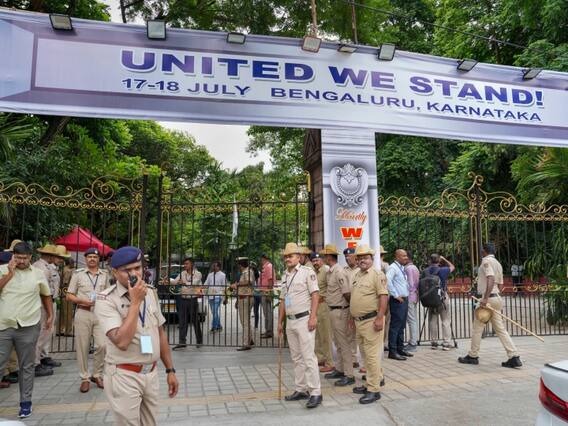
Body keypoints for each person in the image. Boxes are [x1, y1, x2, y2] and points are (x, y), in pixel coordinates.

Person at [95, 246, 179, 425]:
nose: (134, 274)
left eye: (137, 268)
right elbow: (122, 341)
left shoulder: (150, 292)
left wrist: (170, 370)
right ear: (115, 272)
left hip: (150, 373)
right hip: (124, 375)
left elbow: (160, 332)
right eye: (127, 270)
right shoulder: (106, 299)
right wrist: (135, 302)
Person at [0, 241, 53, 418]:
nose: (21, 261)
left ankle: (25, 403)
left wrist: (50, 314)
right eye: (18, 257)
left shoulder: (38, 274)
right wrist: (9, 273)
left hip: (29, 326)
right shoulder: (2, 270)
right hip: (4, 325)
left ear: (30, 257)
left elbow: (46, 295)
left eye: (24, 258)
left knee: (27, 366)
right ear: (13, 256)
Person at [459, 243, 522, 368]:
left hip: (488, 299)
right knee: (500, 329)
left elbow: (491, 278)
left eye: (482, 250)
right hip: (497, 297)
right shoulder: (498, 263)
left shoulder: (486, 261)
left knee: (477, 328)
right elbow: (500, 285)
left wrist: (485, 298)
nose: (481, 252)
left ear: (485, 251)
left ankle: (473, 356)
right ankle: (514, 356)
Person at [278, 242, 322, 409]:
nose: (287, 259)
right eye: (286, 256)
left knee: (308, 357)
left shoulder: (307, 272)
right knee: (296, 358)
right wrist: (280, 322)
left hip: (304, 319)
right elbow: (283, 300)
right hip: (290, 321)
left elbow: (315, 295)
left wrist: (313, 317)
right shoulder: (285, 275)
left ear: (299, 257)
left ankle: (316, 392)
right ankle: (301, 389)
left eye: (291, 256)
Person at [66, 248, 110, 392]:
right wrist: (82, 301)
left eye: (95, 257)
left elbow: (109, 294)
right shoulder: (78, 274)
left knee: (102, 345)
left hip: (100, 314)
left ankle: (97, 374)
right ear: (85, 259)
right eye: (89, 256)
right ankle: (84, 378)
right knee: (82, 347)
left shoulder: (104, 275)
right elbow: (69, 295)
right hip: (83, 312)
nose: (92, 259)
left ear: (98, 259)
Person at [350, 245, 389, 404]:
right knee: (365, 355)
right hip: (359, 321)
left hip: (372, 321)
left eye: (365, 258)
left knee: (372, 356)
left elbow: (383, 297)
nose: (362, 261)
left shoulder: (377, 275)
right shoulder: (357, 275)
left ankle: (373, 390)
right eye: (359, 258)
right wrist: (353, 317)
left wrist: (380, 318)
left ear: (372, 259)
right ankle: (373, 380)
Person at [321, 244, 354, 387]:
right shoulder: (331, 271)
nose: (323, 258)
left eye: (324, 256)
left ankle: (349, 374)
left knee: (344, 343)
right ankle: (340, 369)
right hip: (333, 310)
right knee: (338, 343)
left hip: (340, 311)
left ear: (329, 257)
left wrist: (350, 312)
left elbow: (346, 293)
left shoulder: (339, 272)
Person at [32, 244, 63, 376]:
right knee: (41, 333)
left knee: (47, 332)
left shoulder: (46, 266)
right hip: (44, 303)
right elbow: (44, 291)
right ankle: (35, 364)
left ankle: (42, 358)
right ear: (50, 256)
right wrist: (49, 310)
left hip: (50, 301)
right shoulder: (41, 268)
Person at [386, 249, 412, 361]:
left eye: (406, 256)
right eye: (404, 256)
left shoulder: (401, 267)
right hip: (397, 301)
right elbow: (387, 281)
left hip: (404, 300)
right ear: (397, 257)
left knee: (401, 326)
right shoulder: (393, 267)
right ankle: (392, 351)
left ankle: (400, 349)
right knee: (395, 327)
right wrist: (395, 295)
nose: (406, 258)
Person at [170, 257, 203, 350]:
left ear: (192, 264)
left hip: (192, 299)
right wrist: (168, 281)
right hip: (183, 299)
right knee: (182, 321)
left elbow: (194, 283)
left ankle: (199, 340)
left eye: (187, 263)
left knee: (195, 321)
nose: (185, 265)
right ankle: (182, 342)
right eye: (184, 264)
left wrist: (184, 282)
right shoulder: (182, 273)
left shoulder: (198, 274)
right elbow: (175, 281)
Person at [426, 253, 455, 351]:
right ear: (439, 261)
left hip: (431, 298)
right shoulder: (443, 270)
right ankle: (446, 343)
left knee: (432, 320)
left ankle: (434, 342)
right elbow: (452, 267)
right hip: (442, 297)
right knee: (445, 320)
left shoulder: (426, 271)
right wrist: (444, 259)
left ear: (430, 261)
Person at [311, 253, 333, 373]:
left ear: (322, 260)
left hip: (324, 305)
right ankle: (320, 358)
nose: (315, 262)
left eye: (317, 260)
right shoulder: (313, 272)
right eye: (313, 260)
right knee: (317, 335)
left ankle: (330, 362)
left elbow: (332, 288)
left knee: (326, 335)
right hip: (315, 306)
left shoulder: (326, 271)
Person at [231, 257, 255, 351]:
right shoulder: (246, 271)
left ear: (240, 265)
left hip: (246, 298)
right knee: (246, 321)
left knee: (245, 322)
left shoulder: (247, 272)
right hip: (243, 297)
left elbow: (249, 281)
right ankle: (250, 339)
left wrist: (237, 284)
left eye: (238, 264)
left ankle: (246, 343)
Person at [343, 247, 360, 368]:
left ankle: (363, 361)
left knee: (361, 333)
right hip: (347, 304)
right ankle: (352, 358)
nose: (347, 258)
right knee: (349, 332)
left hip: (359, 305)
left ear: (355, 257)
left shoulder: (361, 270)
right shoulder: (343, 271)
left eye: (349, 256)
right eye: (345, 257)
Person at [404, 252, 420, 352]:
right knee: (413, 319)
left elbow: (410, 283)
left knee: (411, 320)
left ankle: (413, 343)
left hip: (410, 296)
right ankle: (413, 341)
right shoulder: (415, 267)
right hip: (414, 296)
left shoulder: (408, 268)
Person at [204, 261, 226, 333]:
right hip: (210, 295)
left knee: (215, 311)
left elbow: (224, 286)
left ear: (219, 267)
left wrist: (225, 297)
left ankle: (214, 327)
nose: (214, 267)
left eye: (215, 266)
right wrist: (201, 288)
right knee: (214, 312)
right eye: (213, 266)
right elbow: (206, 283)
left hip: (218, 295)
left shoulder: (223, 275)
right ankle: (219, 326)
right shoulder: (210, 275)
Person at [258, 254, 275, 339]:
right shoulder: (266, 267)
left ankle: (269, 331)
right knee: (266, 312)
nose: (261, 261)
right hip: (264, 292)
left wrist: (268, 293)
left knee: (268, 313)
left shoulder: (269, 266)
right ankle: (267, 330)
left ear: (264, 259)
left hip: (266, 292)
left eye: (261, 259)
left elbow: (270, 280)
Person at [59, 257, 75, 337]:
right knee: (68, 312)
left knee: (62, 312)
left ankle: (60, 329)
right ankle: (68, 331)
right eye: (73, 263)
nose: (74, 264)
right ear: (70, 263)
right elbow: (65, 282)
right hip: (67, 292)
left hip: (62, 293)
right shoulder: (69, 271)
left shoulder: (62, 269)